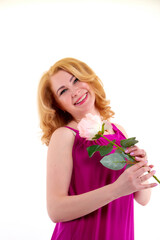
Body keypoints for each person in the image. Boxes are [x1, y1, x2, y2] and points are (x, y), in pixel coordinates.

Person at [37, 57, 157, 240]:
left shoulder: (119, 131)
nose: (75, 91)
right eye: (63, 91)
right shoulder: (64, 136)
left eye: (76, 80)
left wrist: (140, 166)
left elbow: (143, 199)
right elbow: (55, 210)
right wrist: (116, 189)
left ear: (89, 79)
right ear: (57, 105)